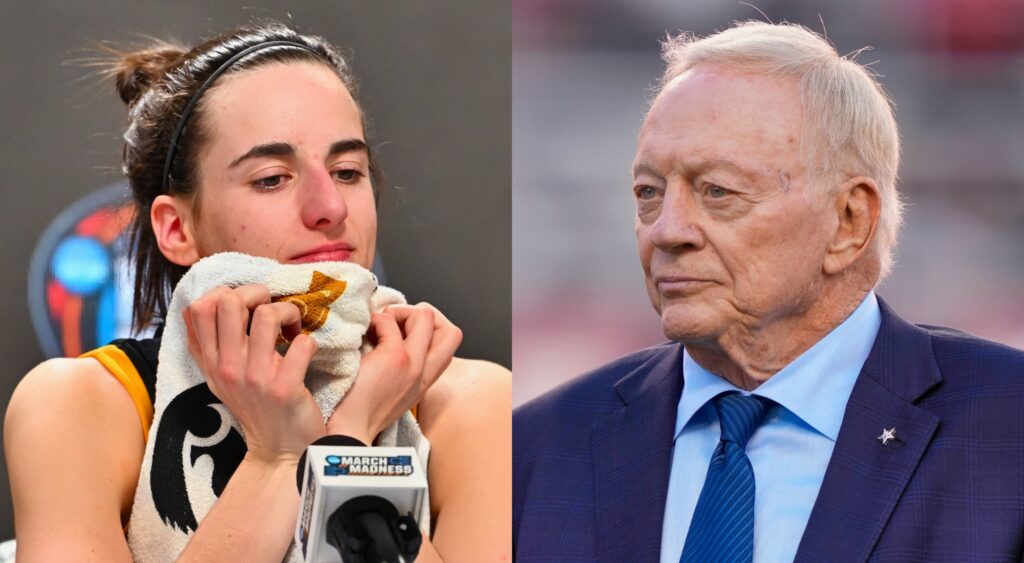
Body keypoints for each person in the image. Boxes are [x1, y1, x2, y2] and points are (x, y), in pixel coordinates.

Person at [513, 21, 1024, 562]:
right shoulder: (539, 447)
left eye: (718, 191)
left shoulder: (1006, 428)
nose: (667, 229)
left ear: (850, 221)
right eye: (648, 193)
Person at [4, 22, 511, 562]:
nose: (330, 207)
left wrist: (351, 433)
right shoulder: (82, 406)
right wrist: (277, 455)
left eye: (347, 170)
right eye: (272, 178)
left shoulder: (468, 404)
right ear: (177, 229)